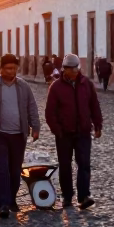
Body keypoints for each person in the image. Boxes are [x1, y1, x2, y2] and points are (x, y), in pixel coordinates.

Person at [0, 54, 40, 218]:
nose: (11, 71)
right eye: (8, 68)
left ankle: (12, 199)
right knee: (1, 170)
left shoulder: (23, 87)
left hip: (19, 135)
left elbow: (32, 107)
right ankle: (3, 203)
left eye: (14, 68)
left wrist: (35, 126)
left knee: (15, 170)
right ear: (1, 69)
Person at [45, 53, 102, 209]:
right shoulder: (56, 87)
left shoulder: (86, 84)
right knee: (65, 165)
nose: (75, 71)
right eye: (71, 69)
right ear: (65, 69)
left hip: (83, 131)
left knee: (84, 164)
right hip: (64, 134)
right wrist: (57, 130)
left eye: (77, 68)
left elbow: (94, 106)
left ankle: (84, 196)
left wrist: (98, 125)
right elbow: (50, 112)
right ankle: (67, 196)